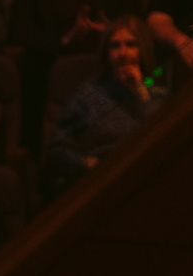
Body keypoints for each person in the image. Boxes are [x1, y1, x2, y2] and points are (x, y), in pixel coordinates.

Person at [42, 20, 162, 194]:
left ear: (142, 49)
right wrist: (85, 163)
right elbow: (57, 149)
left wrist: (140, 90)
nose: (123, 52)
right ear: (107, 53)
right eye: (115, 46)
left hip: (149, 178)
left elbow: (160, 134)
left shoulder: (158, 94)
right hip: (100, 183)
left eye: (130, 44)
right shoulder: (87, 96)